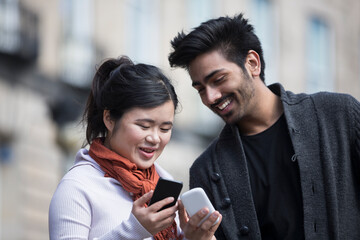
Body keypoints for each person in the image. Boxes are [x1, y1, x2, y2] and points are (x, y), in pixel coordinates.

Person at [168, 13, 360, 240]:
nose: (211, 97)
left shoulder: (338, 114)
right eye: (200, 89)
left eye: (218, 79)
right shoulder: (207, 170)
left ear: (252, 63)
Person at [49, 56, 222, 240]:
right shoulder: (78, 186)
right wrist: (134, 229)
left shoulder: (162, 182)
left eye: (165, 128)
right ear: (109, 119)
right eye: (144, 126)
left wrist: (192, 238)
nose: (155, 138)